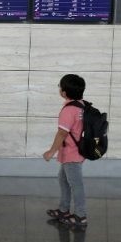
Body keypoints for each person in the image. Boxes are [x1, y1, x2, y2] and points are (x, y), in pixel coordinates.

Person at [43, 74, 88, 228]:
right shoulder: (81, 105)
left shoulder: (69, 110)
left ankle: (81, 216)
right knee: (63, 179)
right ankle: (64, 210)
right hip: (77, 151)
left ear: (64, 92)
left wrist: (51, 151)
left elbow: (62, 133)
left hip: (71, 153)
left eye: (60, 86)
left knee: (76, 184)